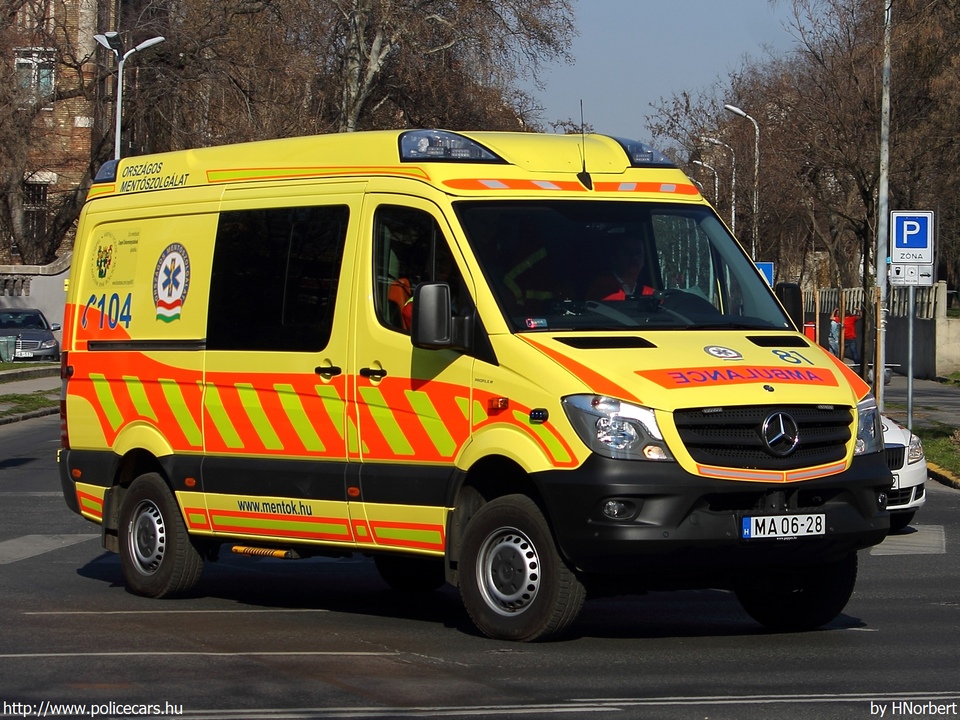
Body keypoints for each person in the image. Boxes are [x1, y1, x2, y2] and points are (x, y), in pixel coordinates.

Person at [586, 238, 655, 301]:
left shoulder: (652, 294)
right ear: (614, 258)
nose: (634, 257)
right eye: (627, 252)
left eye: (638, 253)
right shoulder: (601, 287)